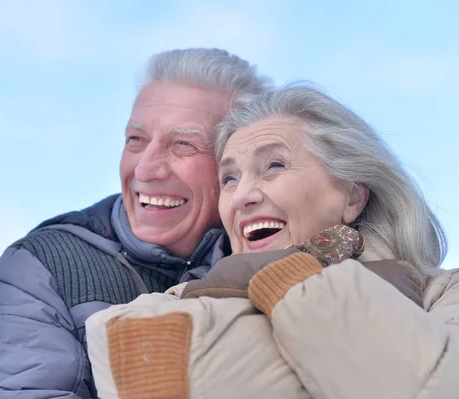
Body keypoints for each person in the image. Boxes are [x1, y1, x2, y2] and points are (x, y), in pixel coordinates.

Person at [86, 83, 459, 399]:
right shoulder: (169, 301)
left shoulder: (447, 293)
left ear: (352, 197)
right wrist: (300, 278)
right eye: (229, 178)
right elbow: (130, 363)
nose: (243, 194)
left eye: (274, 165)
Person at [0, 48, 272, 399]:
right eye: (136, 140)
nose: (145, 169)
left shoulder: (278, 251)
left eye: (184, 144)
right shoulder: (46, 264)